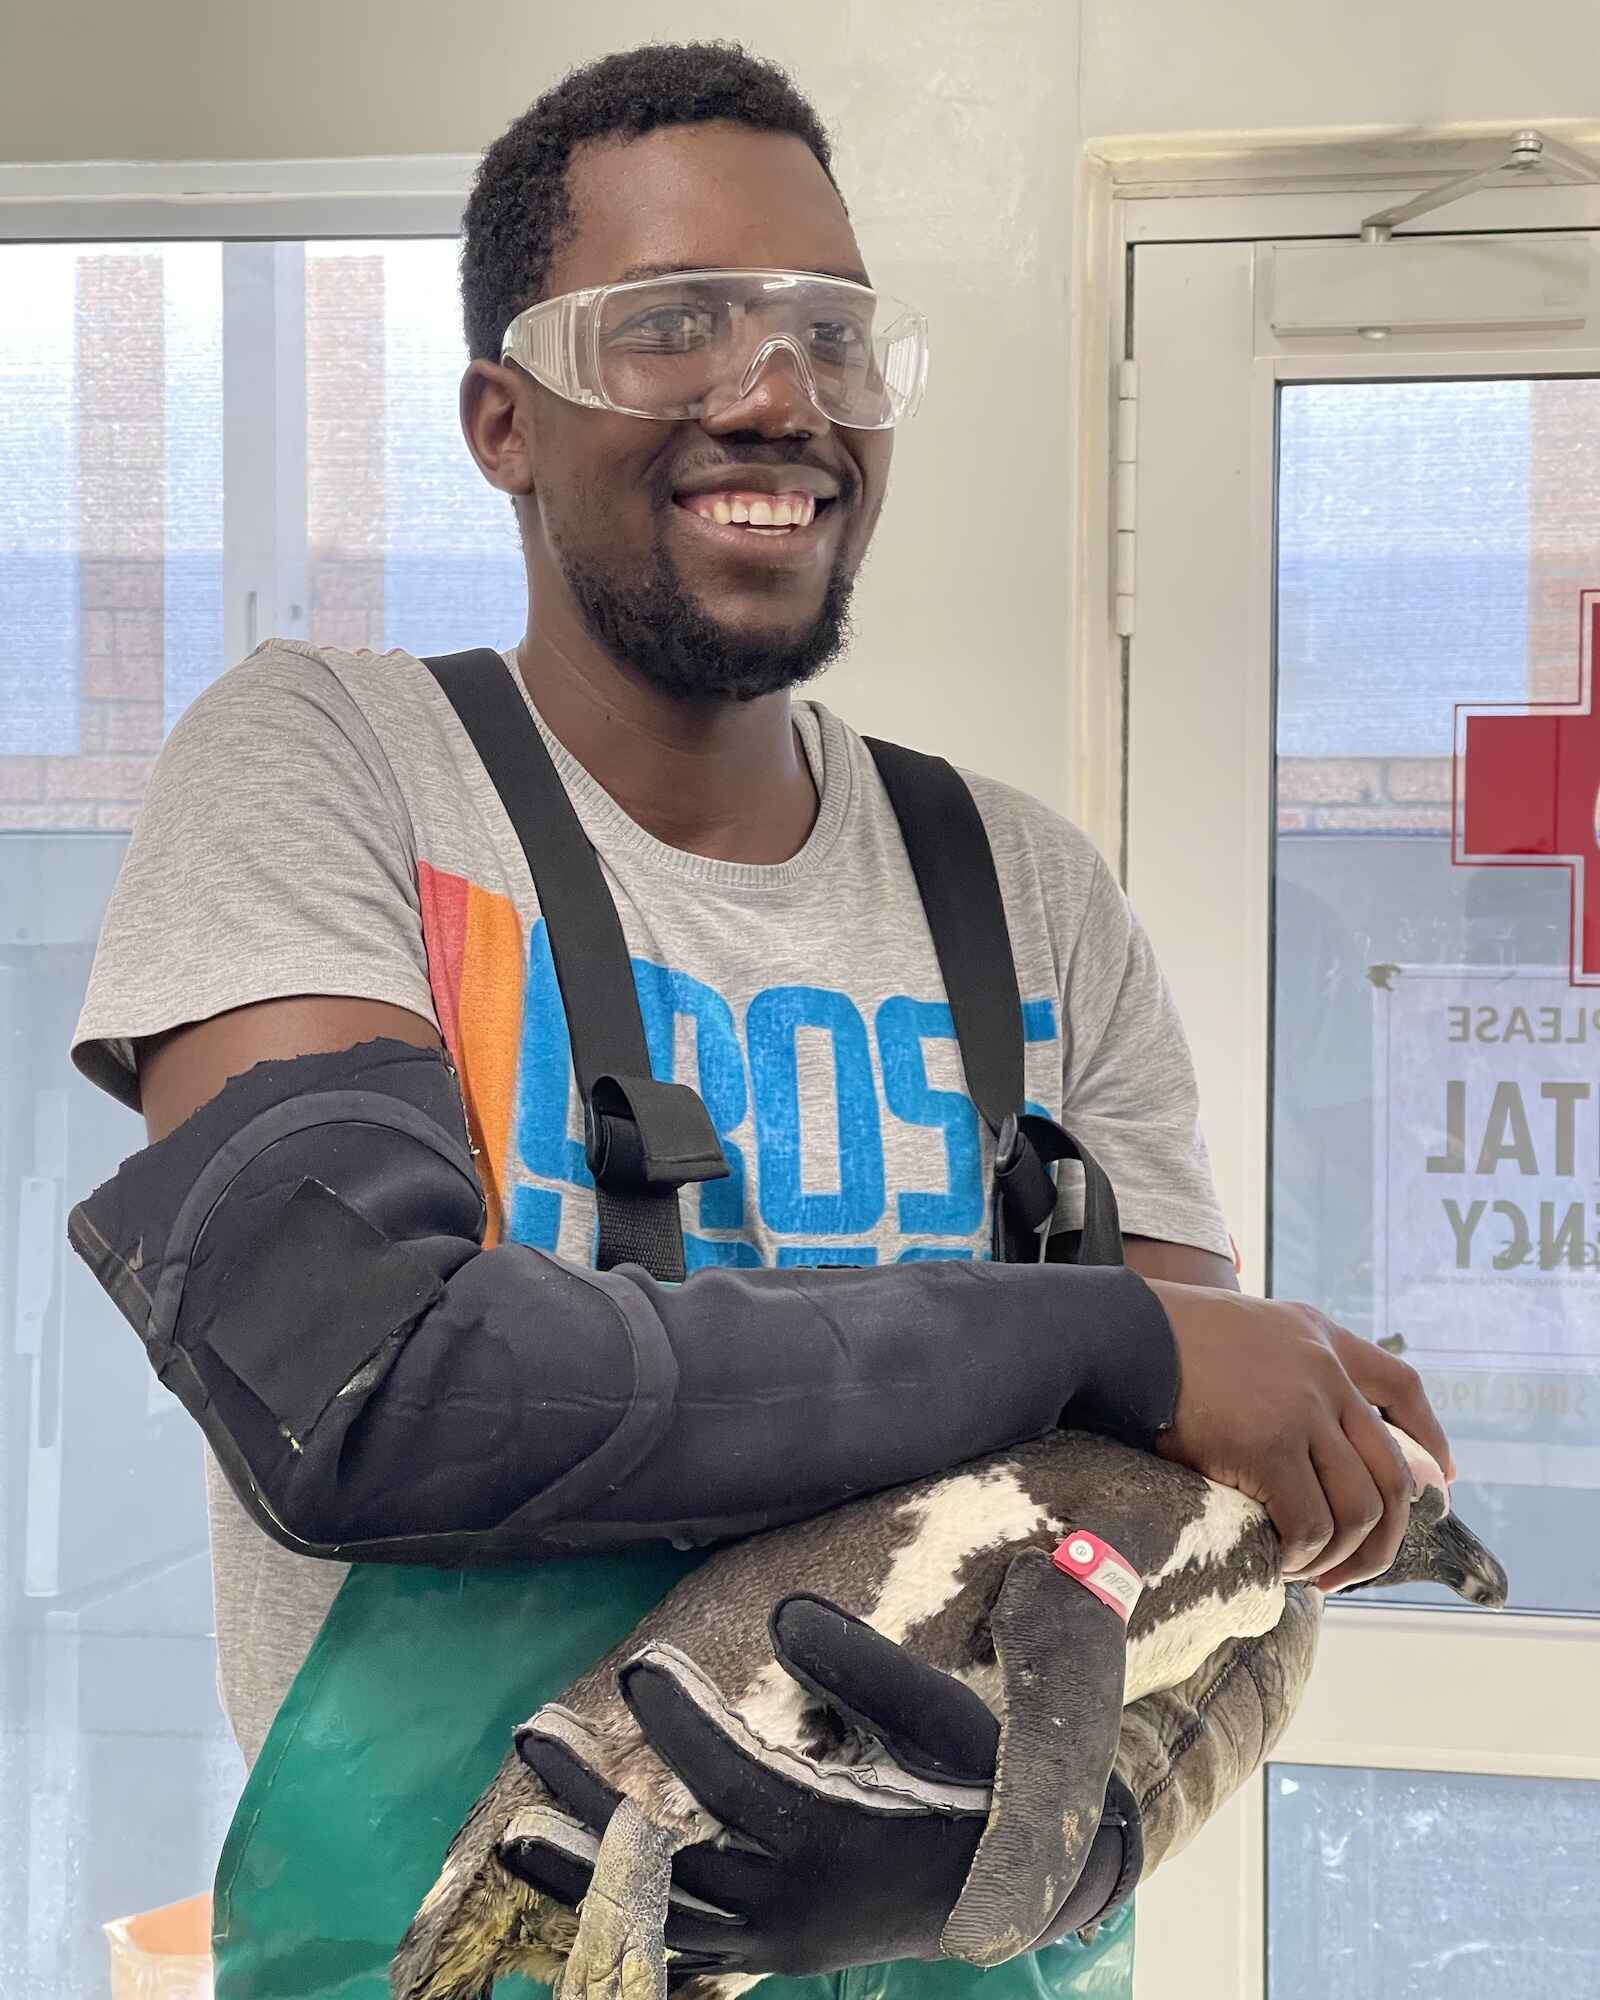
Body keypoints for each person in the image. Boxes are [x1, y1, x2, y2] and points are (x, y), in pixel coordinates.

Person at [66, 40, 1452, 2000]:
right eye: (670, 328)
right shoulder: (336, 773)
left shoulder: (1030, 896)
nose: (777, 393)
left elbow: (1187, 1541)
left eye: (831, 334)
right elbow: (367, 1391)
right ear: (499, 419)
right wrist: (1095, 1333)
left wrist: (1046, 1852)